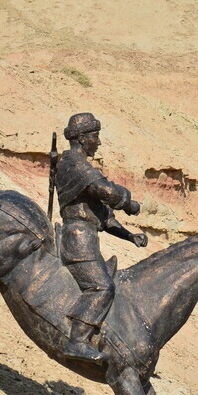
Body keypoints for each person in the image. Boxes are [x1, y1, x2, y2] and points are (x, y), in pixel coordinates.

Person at [54, 113, 147, 362]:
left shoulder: (81, 169)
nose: (98, 142)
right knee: (101, 287)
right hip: (77, 238)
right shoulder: (74, 163)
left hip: (87, 237)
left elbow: (104, 218)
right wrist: (128, 202)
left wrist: (130, 236)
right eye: (95, 137)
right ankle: (77, 341)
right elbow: (105, 190)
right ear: (83, 138)